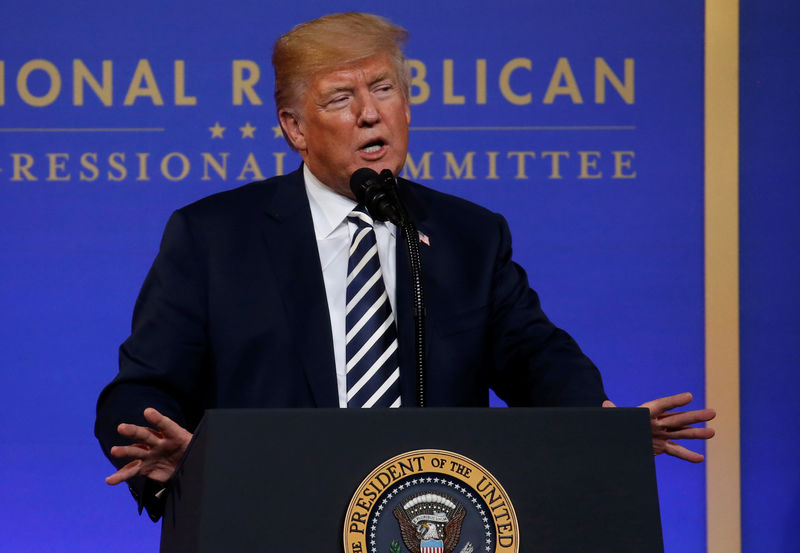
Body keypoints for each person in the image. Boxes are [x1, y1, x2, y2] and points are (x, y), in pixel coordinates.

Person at [95, 12, 715, 521]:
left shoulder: (469, 235)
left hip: (428, 519)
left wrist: (601, 423)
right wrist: (170, 454)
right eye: (341, 98)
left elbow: (532, 352)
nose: (371, 113)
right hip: (269, 516)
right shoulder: (213, 236)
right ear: (294, 128)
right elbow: (143, 385)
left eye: (384, 89)